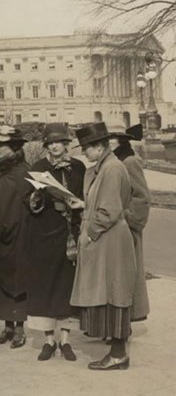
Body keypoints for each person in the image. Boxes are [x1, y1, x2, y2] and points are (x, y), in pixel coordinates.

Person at [71, 122, 136, 370]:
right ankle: (117, 352)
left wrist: (90, 234)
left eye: (86, 148)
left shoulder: (112, 168)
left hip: (109, 239)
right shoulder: (104, 167)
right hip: (107, 238)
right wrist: (84, 207)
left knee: (115, 294)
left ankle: (119, 354)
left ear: (98, 147)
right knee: (110, 293)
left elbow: (108, 210)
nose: (84, 153)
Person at [26, 123, 86, 361]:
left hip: (70, 233)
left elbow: (86, 194)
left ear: (66, 144)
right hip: (44, 234)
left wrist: (77, 202)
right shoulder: (38, 168)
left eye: (58, 142)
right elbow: (28, 202)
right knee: (45, 286)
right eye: (50, 143)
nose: (54, 147)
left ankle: (65, 340)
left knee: (66, 286)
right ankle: (49, 340)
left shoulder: (78, 167)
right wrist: (36, 197)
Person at [0, 125, 30, 349]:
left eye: (1, 146)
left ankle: (20, 328)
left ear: (14, 148)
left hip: (19, 235)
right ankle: (8, 327)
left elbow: (26, 208)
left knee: (18, 280)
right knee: (2, 279)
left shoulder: (24, 173)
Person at [109, 124, 151, 324]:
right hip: (114, 226)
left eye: (110, 139)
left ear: (120, 141)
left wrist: (126, 217)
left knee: (128, 274)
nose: (106, 143)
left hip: (127, 227)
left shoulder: (129, 161)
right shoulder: (114, 161)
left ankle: (126, 324)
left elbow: (142, 197)